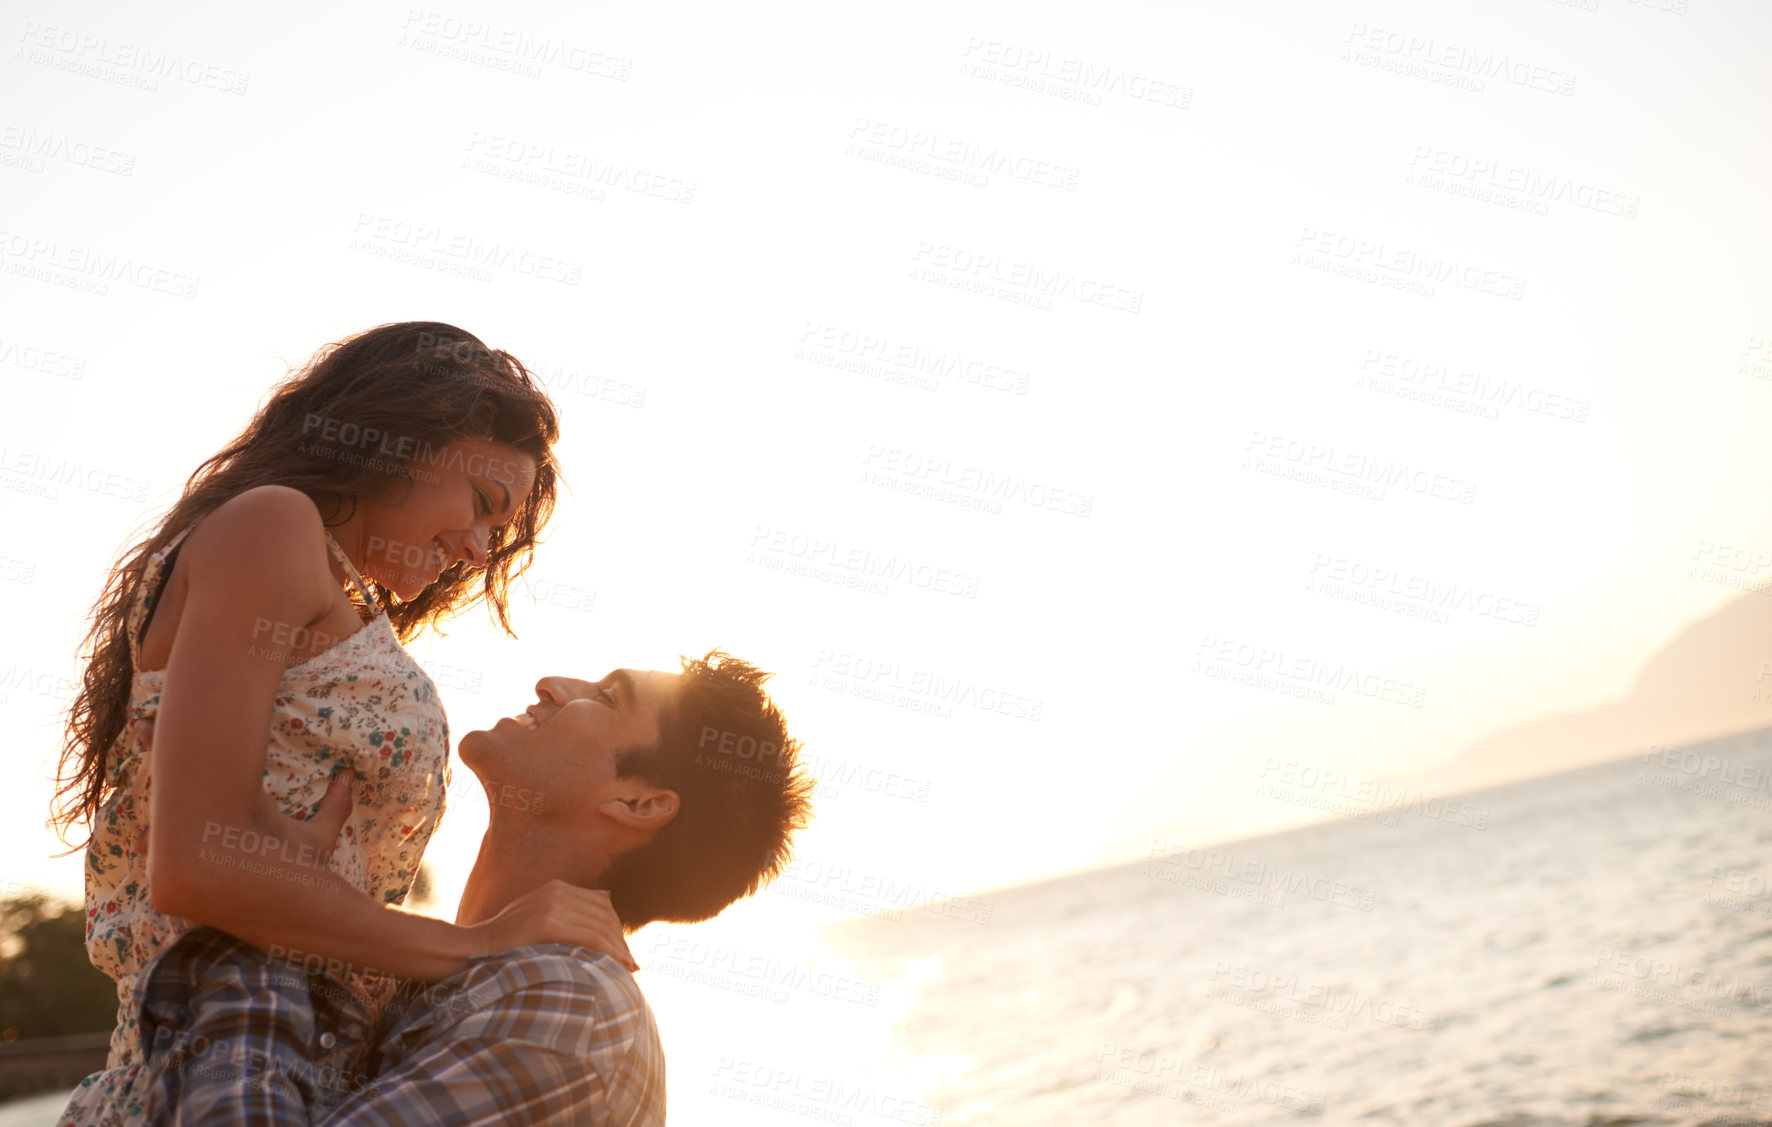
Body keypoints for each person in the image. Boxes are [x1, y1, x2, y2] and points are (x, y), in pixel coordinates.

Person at [53, 323, 633, 1127]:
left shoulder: (337, 593)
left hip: (291, 1058)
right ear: (402, 439)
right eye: (482, 505)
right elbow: (195, 866)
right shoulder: (273, 526)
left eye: (495, 536)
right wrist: (483, 941)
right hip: (216, 1056)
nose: (474, 549)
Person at [131, 654, 814, 1126]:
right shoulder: (459, 978)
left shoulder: (573, 1007)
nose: (552, 682)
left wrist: (252, 916)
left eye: (607, 696)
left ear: (638, 804)